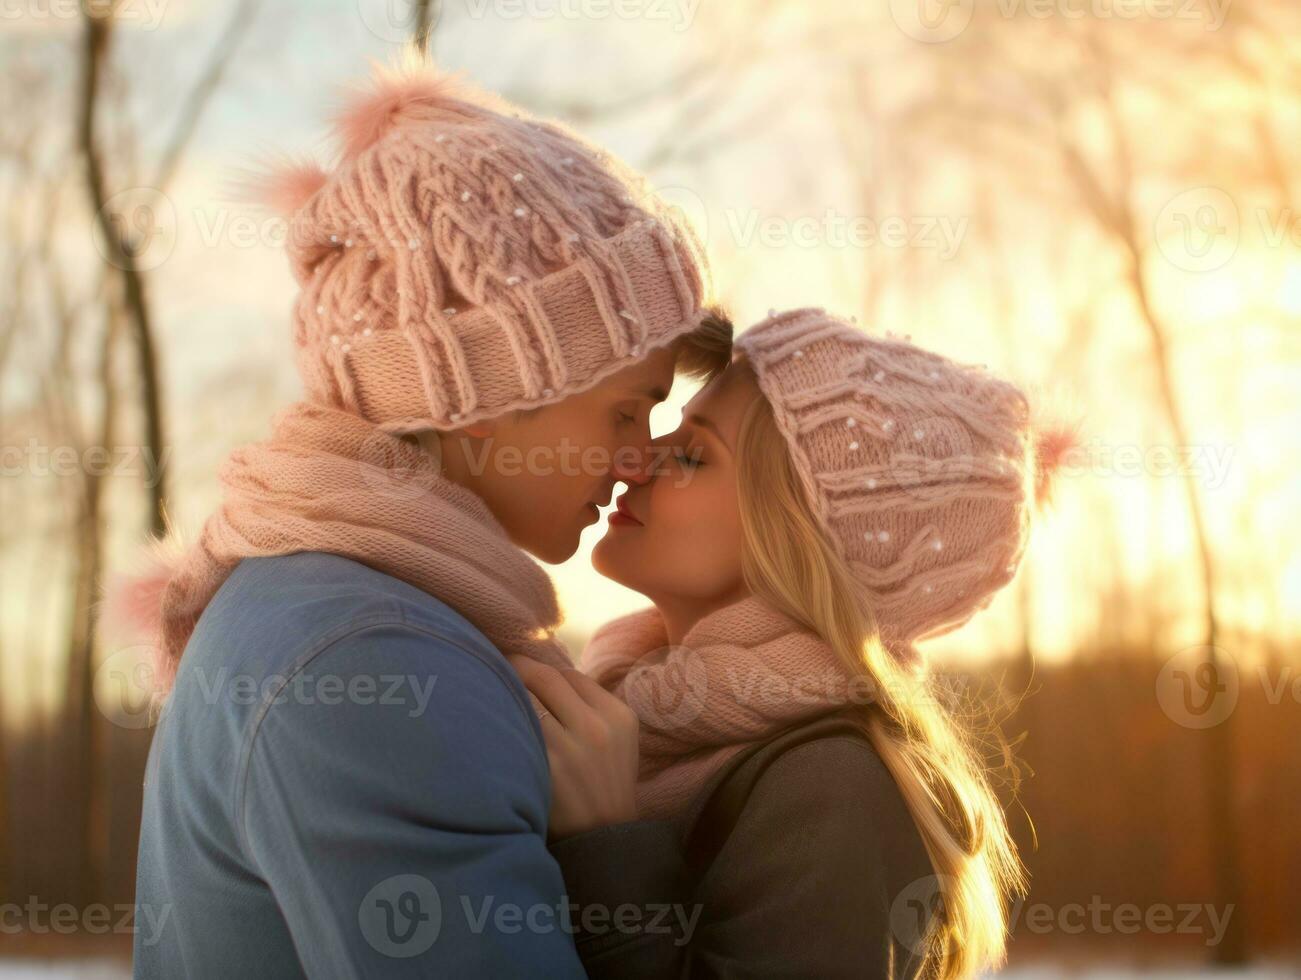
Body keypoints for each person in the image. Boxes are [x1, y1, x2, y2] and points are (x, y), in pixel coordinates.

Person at [108, 53, 729, 977]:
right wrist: (619, 859)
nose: (640, 456)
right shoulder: (373, 659)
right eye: (625, 410)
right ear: (487, 391)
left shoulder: (331, 611)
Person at [512, 307, 1074, 978]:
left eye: (693, 453)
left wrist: (608, 846)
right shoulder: (618, 714)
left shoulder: (832, 788)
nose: (636, 460)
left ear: (797, 538)